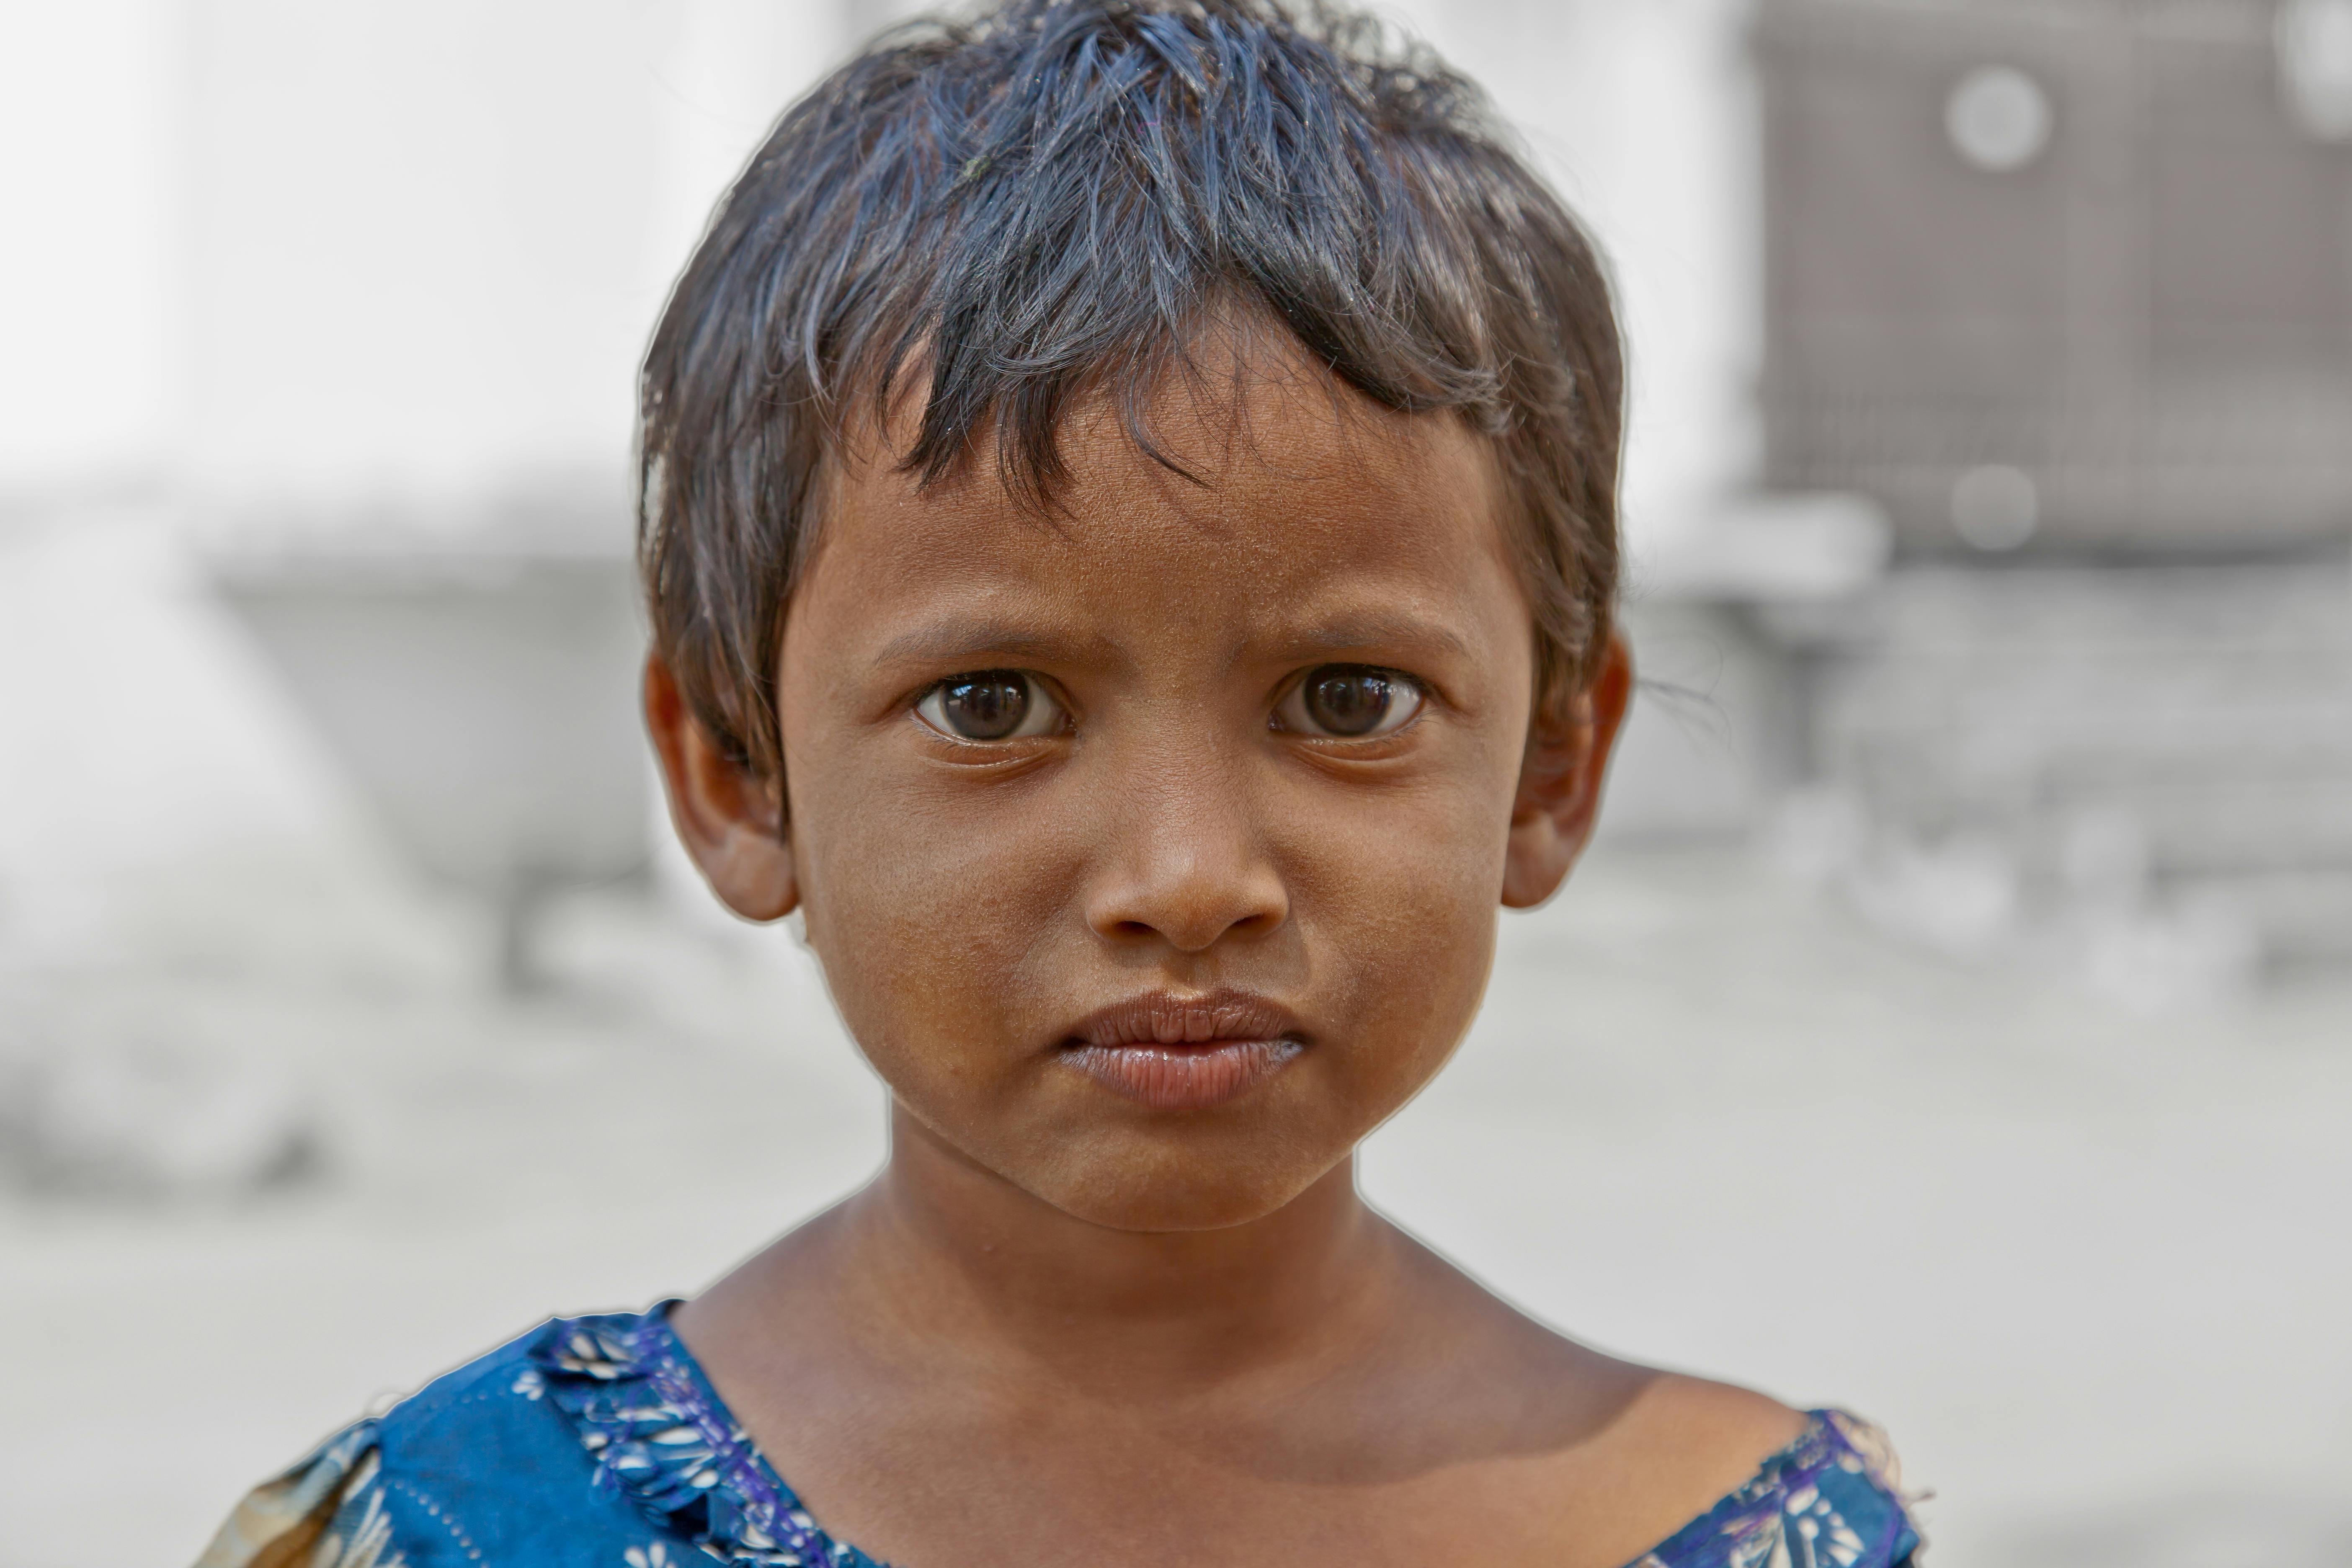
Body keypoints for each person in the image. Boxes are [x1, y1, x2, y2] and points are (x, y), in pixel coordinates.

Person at [199, 2, 1924, 1564]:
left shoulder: (1746, 1531)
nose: (1187, 878)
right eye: (990, 703)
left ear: (1553, 766)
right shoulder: (467, 1531)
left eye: (1347, 696)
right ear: (736, 776)